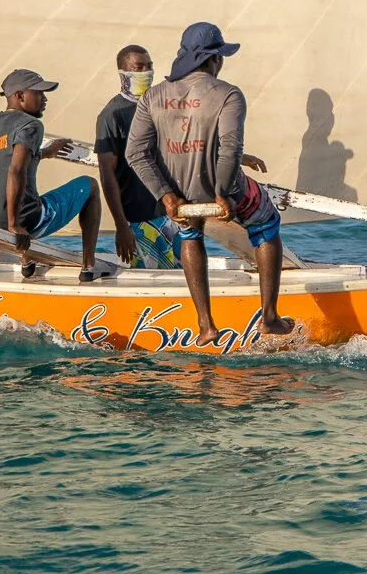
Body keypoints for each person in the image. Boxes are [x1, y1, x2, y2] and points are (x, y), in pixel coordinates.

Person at [126, 23, 293, 343]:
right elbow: (230, 150)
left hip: (182, 196)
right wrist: (222, 194)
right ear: (213, 59)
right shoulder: (228, 94)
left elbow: (136, 152)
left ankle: (205, 326)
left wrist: (166, 196)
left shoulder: (153, 96)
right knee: (267, 221)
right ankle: (269, 318)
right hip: (223, 192)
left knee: (190, 232)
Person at [0, 69, 102, 281]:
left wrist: (44, 153)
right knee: (90, 186)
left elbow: (3, 161)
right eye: (39, 93)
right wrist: (14, 225)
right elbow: (16, 170)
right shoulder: (31, 125)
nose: (45, 99)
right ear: (20, 96)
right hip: (25, 220)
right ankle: (88, 265)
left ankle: (27, 261)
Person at [95, 44, 181, 269]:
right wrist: (122, 226)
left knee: (184, 277)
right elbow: (107, 174)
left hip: (172, 212)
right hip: (138, 219)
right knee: (155, 282)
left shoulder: (160, 105)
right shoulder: (112, 115)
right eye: (139, 67)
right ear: (124, 73)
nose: (146, 72)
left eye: (149, 66)